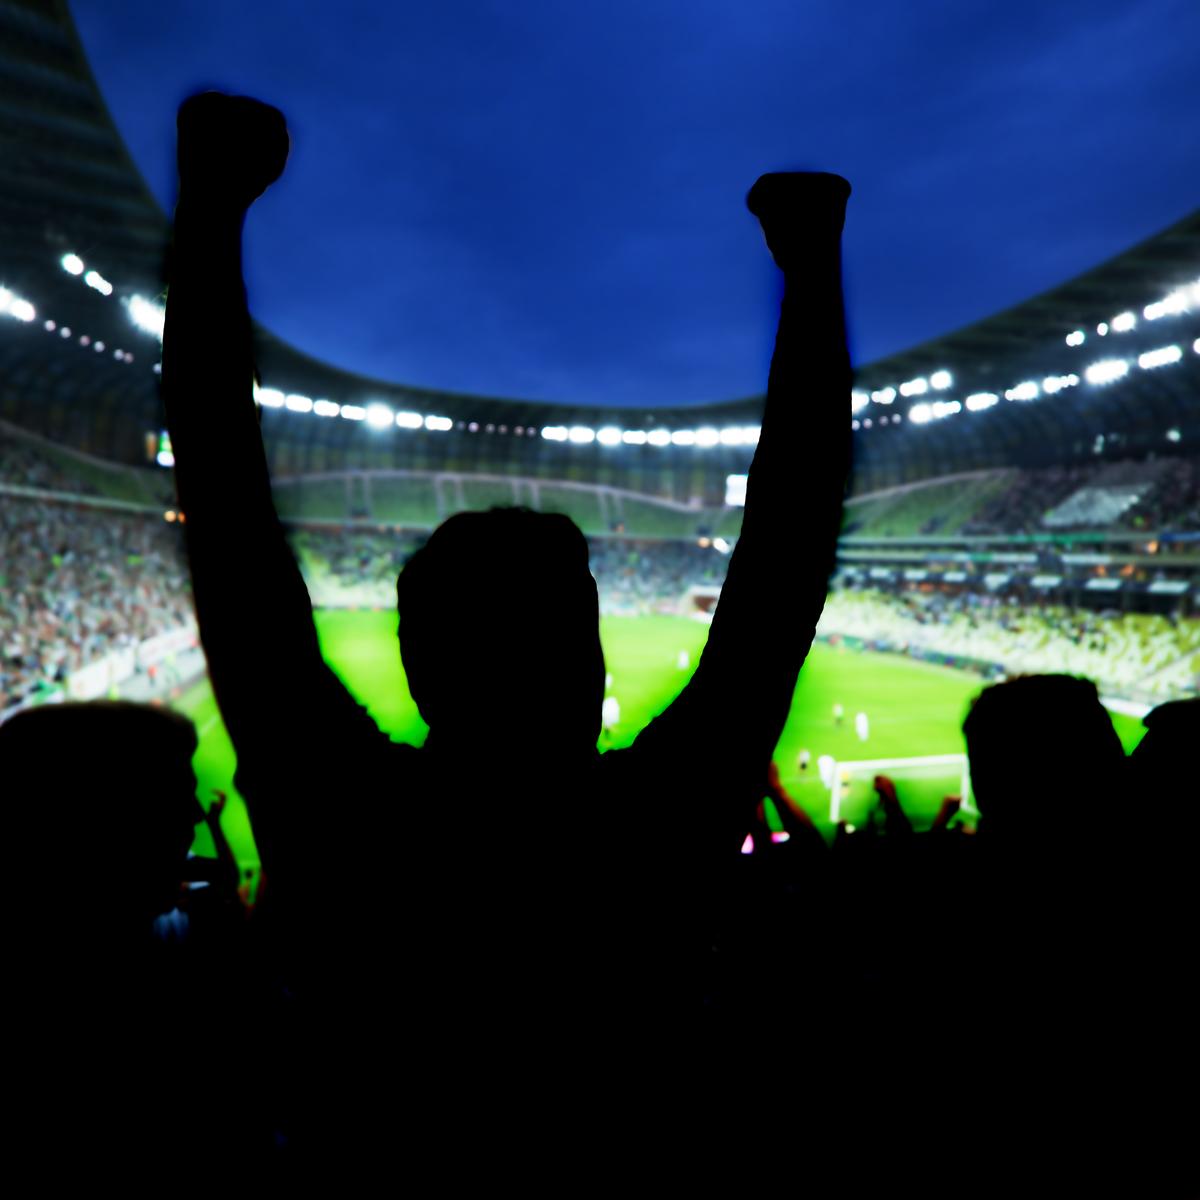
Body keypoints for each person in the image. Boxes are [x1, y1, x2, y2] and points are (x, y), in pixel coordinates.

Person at [163, 92, 852, 1093]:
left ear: (415, 663)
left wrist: (215, 205)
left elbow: (227, 526)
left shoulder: (343, 816)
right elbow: (787, 557)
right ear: (594, 661)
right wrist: (813, 265)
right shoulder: (657, 825)